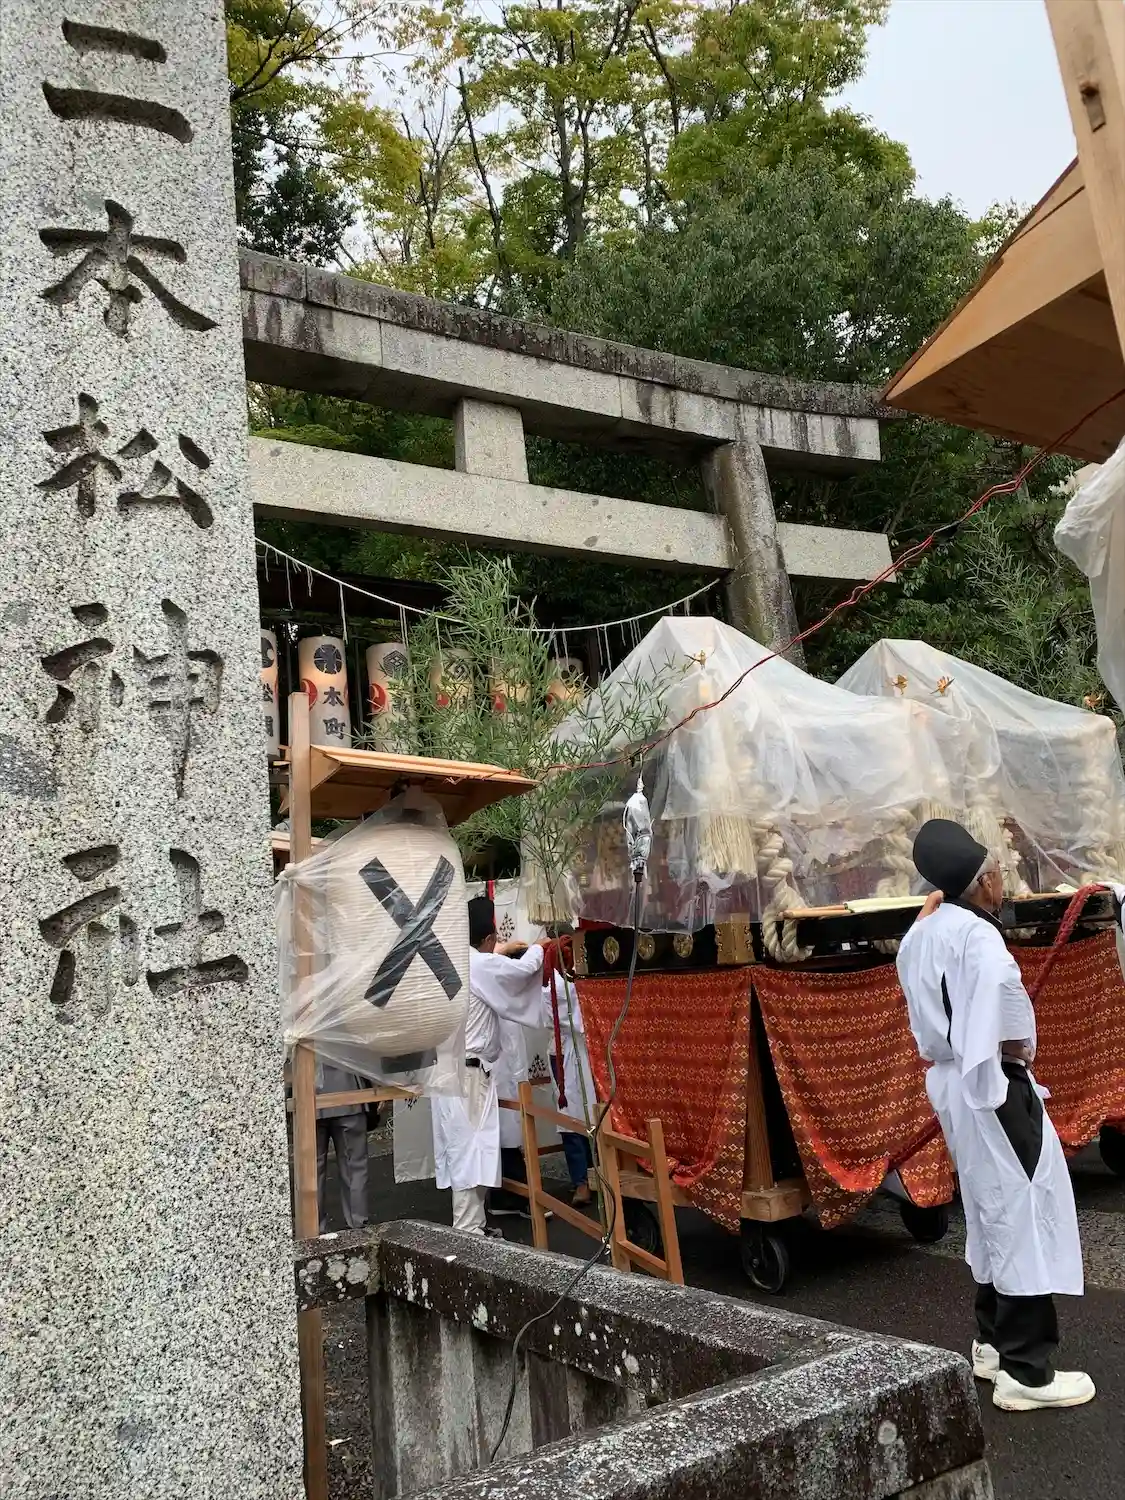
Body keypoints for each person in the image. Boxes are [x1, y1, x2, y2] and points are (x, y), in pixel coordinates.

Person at [896, 818, 1093, 1412]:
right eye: (999, 872)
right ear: (983, 883)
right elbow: (1005, 1015)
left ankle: (991, 1344)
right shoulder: (979, 938)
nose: (1003, 882)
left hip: (953, 1082)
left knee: (988, 1209)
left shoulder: (920, 933)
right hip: (991, 1083)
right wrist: (1013, 1058)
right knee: (1022, 1210)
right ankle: (1027, 1371)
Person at [431, 895, 547, 1233]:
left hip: (451, 1071)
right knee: (469, 1152)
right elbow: (522, 971)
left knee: (471, 1149)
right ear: (488, 938)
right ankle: (468, 1232)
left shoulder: (450, 963)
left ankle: (475, 1225)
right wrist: (541, 948)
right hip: (467, 1074)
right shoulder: (478, 965)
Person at [543, 952, 597, 1206]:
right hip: (564, 1051)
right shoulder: (549, 981)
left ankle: (599, 1174)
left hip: (591, 1049)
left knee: (595, 1114)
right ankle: (581, 1181)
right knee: (569, 1117)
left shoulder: (588, 975)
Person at [315, 1060, 369, 1233]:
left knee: (311, 1170)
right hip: (348, 1090)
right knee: (354, 1165)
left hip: (309, 1092)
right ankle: (358, 1224)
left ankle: (313, 1227)